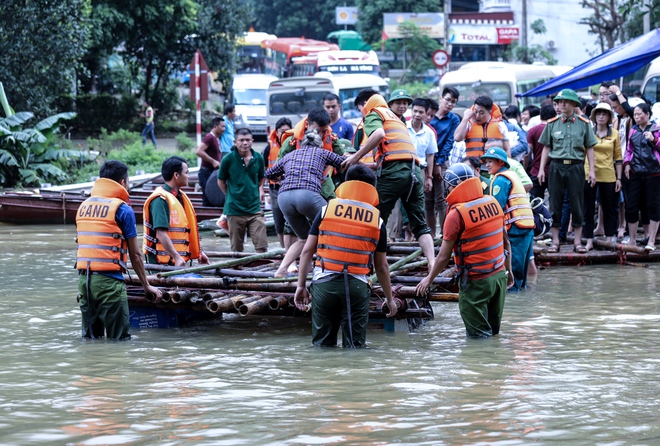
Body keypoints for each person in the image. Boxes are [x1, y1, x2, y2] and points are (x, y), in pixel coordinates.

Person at [294, 164, 396, 347]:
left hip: (324, 284)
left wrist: (301, 286)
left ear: (346, 183)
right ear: (372, 188)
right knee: (355, 348)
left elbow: (307, 251)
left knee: (322, 347)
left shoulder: (326, 210)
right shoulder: (377, 220)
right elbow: (381, 266)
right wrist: (389, 299)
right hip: (357, 287)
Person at [416, 163, 514, 338]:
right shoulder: (493, 202)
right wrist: (510, 271)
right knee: (493, 334)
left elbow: (444, 256)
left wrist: (429, 279)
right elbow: (506, 242)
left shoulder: (456, 215)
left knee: (479, 340)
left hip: (476, 282)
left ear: (453, 186)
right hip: (499, 276)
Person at [342, 89, 437, 269]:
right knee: (420, 225)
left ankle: (368, 262)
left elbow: (378, 135)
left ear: (365, 107)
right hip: (415, 171)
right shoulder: (396, 119)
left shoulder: (373, 114)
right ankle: (433, 263)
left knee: (374, 218)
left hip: (394, 171)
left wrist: (355, 158)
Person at [76, 161, 162, 340]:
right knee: (119, 341)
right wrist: (146, 285)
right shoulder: (122, 209)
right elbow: (136, 254)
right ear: (122, 182)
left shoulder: (83, 206)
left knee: (91, 339)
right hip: (108, 283)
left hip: (84, 281)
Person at [266, 128, 346, 277]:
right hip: (307, 195)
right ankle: (335, 266)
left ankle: (282, 269)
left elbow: (269, 173)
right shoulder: (322, 152)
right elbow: (343, 162)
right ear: (319, 145)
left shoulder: (290, 155)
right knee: (336, 224)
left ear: (302, 144)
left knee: (304, 238)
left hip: (284, 198)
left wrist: (283, 178)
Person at [537, 89, 598, 254]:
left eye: (565, 102)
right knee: (555, 203)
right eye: (559, 102)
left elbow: (590, 148)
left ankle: (578, 242)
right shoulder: (552, 123)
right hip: (556, 166)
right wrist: (542, 169)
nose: (561, 105)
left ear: (573, 104)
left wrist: (592, 170)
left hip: (576, 166)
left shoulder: (584, 124)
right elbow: (546, 147)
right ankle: (555, 241)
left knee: (577, 203)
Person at [482, 148, 535, 291]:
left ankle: (513, 309)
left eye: (490, 161)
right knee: (521, 276)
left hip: (516, 230)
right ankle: (521, 305)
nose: (487, 165)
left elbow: (496, 208)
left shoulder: (500, 179)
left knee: (512, 275)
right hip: (527, 228)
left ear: (500, 162)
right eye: (486, 162)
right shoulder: (512, 175)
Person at [143, 156, 210, 266]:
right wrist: (176, 256)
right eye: (186, 173)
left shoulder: (179, 197)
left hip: (177, 261)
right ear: (176, 175)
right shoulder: (160, 200)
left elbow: (188, 229)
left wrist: (200, 252)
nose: (188, 176)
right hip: (161, 264)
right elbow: (161, 232)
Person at [217, 128, 268, 253]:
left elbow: (261, 178)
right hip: (234, 209)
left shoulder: (258, 158)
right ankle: (237, 270)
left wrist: (252, 191)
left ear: (252, 141)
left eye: (247, 140)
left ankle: (259, 270)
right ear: (235, 142)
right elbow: (221, 181)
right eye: (241, 140)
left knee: (262, 245)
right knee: (237, 248)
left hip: (254, 209)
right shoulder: (228, 159)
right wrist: (231, 194)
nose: (245, 143)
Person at [278, 108, 344, 200]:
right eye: (317, 131)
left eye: (324, 131)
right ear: (307, 125)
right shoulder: (292, 142)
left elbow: (343, 160)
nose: (320, 135)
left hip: (325, 186)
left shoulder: (332, 139)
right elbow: (278, 167)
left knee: (332, 211)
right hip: (300, 188)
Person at [583, 102, 622, 250]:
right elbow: (582, 153)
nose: (601, 116)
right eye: (598, 113)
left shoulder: (615, 134)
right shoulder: (589, 131)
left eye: (604, 114)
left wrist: (619, 178)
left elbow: (618, 157)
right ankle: (588, 241)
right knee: (588, 208)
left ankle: (610, 238)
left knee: (609, 208)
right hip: (589, 174)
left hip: (608, 174)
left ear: (609, 117)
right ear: (594, 116)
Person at [622, 103, 660, 251]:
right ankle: (632, 239)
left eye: (640, 114)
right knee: (631, 207)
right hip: (636, 173)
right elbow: (629, 150)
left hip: (654, 173)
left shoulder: (656, 129)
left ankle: (651, 240)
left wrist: (654, 139)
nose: (637, 117)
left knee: (653, 206)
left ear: (648, 114)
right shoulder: (633, 130)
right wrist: (627, 163)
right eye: (635, 115)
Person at [428, 87, 461, 236]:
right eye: (447, 100)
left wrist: (438, 163)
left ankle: (444, 234)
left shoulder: (453, 119)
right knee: (427, 200)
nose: (449, 104)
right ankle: (430, 233)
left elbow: (449, 142)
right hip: (426, 160)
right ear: (441, 98)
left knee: (442, 199)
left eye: (453, 102)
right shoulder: (430, 114)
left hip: (442, 160)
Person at [263, 117, 295, 250]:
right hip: (275, 189)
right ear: (276, 132)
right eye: (282, 131)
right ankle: (283, 250)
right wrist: (264, 190)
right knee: (278, 220)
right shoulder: (269, 148)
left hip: (291, 188)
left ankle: (292, 249)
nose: (285, 134)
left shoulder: (295, 145)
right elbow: (264, 169)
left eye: (288, 131)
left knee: (292, 220)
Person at [407, 98, 437, 196]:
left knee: (418, 200)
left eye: (421, 112)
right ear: (411, 111)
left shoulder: (429, 133)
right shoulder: (402, 127)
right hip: (403, 168)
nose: (417, 114)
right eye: (415, 111)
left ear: (425, 113)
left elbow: (430, 156)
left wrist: (429, 177)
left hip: (420, 170)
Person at [527, 104, 557, 200]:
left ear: (540, 117)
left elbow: (528, 152)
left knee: (535, 203)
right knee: (556, 203)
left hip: (536, 170)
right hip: (554, 171)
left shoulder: (532, 131)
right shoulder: (556, 130)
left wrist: (525, 168)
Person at [196, 116, 225, 207]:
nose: (224, 129)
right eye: (222, 126)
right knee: (208, 197)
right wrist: (213, 161)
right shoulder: (209, 137)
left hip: (213, 173)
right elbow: (199, 151)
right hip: (206, 172)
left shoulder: (217, 138)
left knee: (214, 197)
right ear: (215, 126)